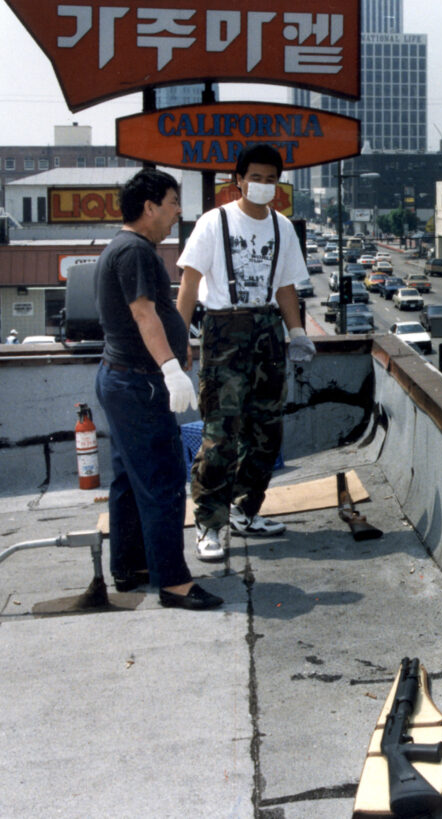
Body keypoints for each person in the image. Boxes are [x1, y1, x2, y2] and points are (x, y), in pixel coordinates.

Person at [177, 144, 315, 562]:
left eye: (271, 179)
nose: (263, 185)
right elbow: (188, 284)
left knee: (266, 432)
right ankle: (208, 525)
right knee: (220, 436)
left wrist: (296, 331)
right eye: (255, 177)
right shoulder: (212, 223)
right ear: (237, 179)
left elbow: (287, 286)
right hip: (224, 330)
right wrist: (178, 337)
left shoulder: (282, 227)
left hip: (268, 332)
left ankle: (245, 511)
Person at [94, 168, 222, 611]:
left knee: (130, 479)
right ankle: (174, 583)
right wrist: (171, 369)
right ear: (149, 207)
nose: (176, 213)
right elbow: (144, 314)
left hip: (121, 378)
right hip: (139, 384)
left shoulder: (125, 247)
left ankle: (132, 568)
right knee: (164, 480)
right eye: (171, 203)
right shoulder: (136, 253)